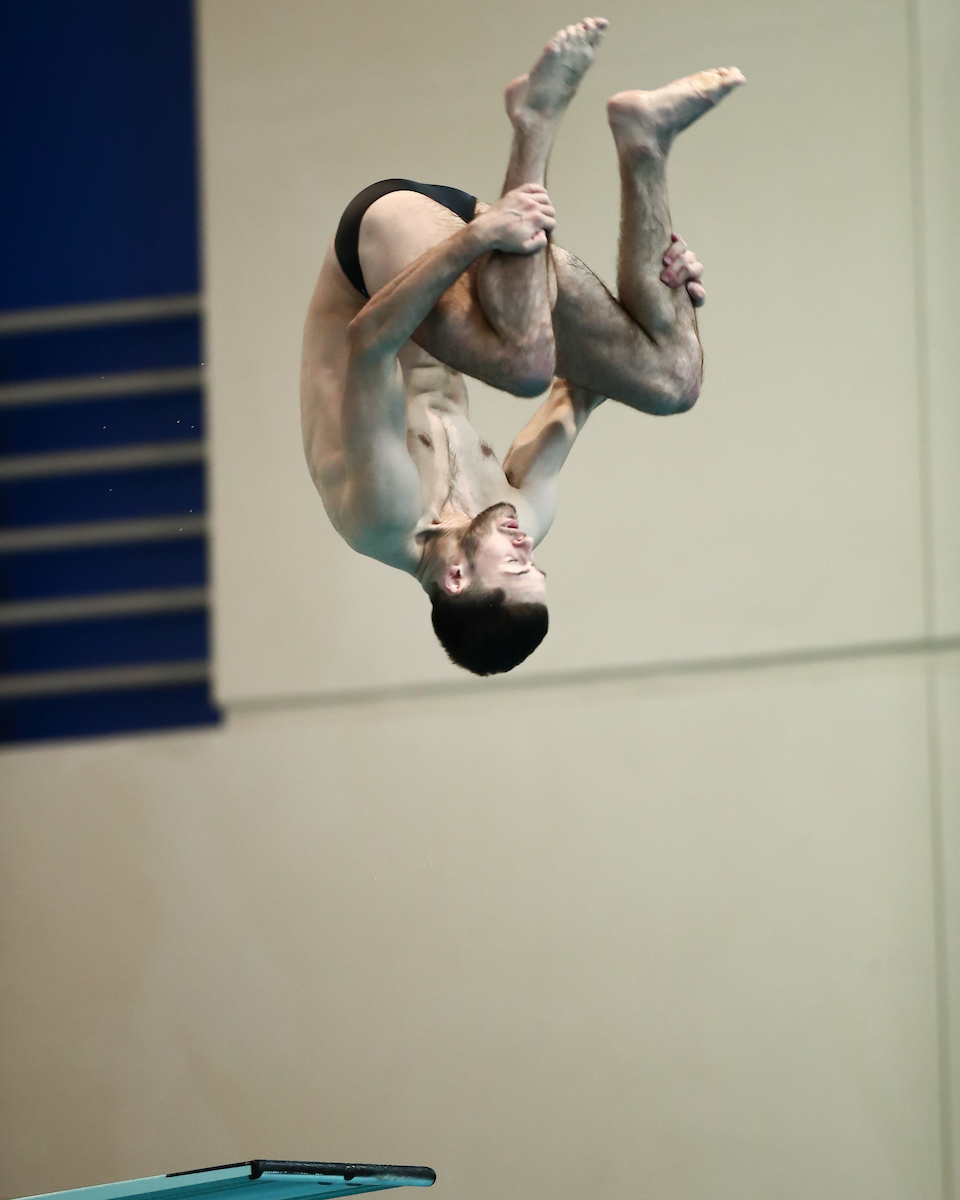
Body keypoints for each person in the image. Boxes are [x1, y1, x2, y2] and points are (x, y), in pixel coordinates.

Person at [300, 18, 744, 675]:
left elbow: (368, 338)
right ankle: (644, 140)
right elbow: (584, 384)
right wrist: (672, 295)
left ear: (454, 580)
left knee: (526, 364)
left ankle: (534, 119)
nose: (523, 545)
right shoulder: (521, 516)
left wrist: (480, 239)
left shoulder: (380, 515)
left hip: (382, 245)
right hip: (490, 264)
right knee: (672, 380)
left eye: (514, 565)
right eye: (535, 563)